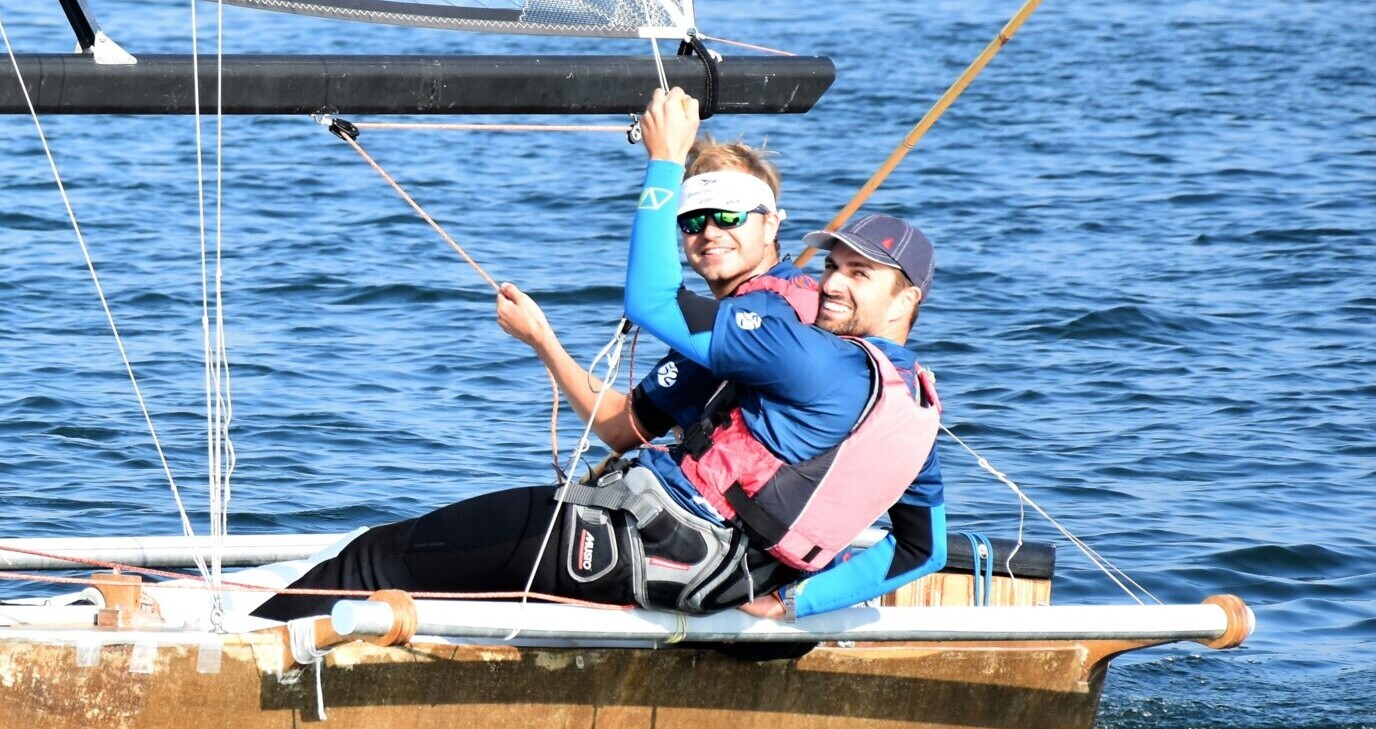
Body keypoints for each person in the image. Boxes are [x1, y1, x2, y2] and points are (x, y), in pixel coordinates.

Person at [252, 88, 948, 623]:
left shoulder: (798, 346)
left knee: (375, 557)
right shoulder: (911, 406)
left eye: (859, 275)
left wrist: (666, 160)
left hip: (631, 546)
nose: (831, 281)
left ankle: (228, 666)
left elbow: (651, 302)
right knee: (450, 567)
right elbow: (923, 549)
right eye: (833, 264)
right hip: (707, 574)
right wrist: (796, 605)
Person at [497, 135, 818, 455]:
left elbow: (619, 429)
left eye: (729, 216)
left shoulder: (733, 326)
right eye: (692, 220)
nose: (709, 232)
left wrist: (540, 338)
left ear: (771, 225)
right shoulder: (805, 292)